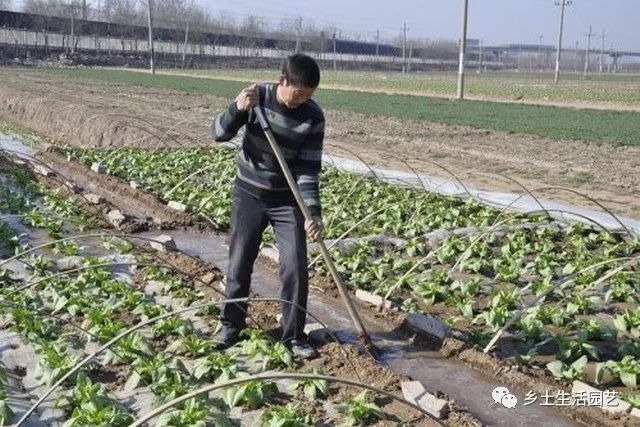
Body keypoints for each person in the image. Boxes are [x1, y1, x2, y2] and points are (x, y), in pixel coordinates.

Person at [211, 53, 325, 359]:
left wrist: (311, 212)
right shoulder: (256, 98)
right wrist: (236, 109)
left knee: (296, 266)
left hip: (287, 200)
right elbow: (218, 134)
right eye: (298, 93)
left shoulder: (313, 117)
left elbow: (308, 169)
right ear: (282, 81)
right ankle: (230, 328)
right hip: (249, 193)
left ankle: (293, 335)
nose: (302, 100)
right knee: (239, 262)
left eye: (308, 95)